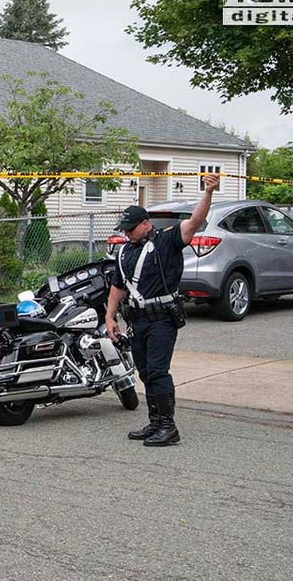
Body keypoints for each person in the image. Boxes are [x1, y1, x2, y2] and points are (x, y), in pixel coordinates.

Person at [105, 173, 220, 447]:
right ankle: (155, 422)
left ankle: (168, 427)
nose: (128, 232)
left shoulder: (167, 241)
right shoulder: (125, 251)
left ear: (146, 224)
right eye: (125, 229)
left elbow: (193, 223)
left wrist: (208, 193)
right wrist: (110, 317)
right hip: (138, 320)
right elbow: (117, 287)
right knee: (144, 372)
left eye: (132, 228)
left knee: (158, 371)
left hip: (162, 320)